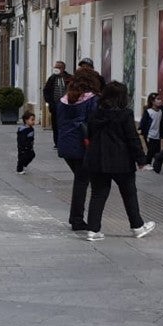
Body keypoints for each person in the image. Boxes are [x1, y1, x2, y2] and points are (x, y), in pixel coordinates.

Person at [82, 81, 157, 241]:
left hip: (97, 159)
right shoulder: (125, 114)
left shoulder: (95, 113)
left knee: (97, 194)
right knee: (129, 193)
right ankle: (137, 226)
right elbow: (132, 138)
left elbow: (89, 133)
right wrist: (141, 160)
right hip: (121, 161)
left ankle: (93, 230)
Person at [56, 68, 102, 231]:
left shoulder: (64, 100)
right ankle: (76, 219)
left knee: (80, 180)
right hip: (83, 145)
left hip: (66, 145)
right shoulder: (92, 100)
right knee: (82, 182)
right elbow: (95, 123)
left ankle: (76, 218)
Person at [42, 60, 71, 150]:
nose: (57, 69)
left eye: (59, 67)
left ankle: (66, 141)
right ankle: (57, 142)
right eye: (55, 67)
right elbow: (46, 91)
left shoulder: (69, 78)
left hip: (67, 106)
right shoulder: (52, 78)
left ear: (63, 68)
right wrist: (50, 102)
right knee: (55, 125)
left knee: (66, 124)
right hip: (55, 106)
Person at [138, 92, 163, 161]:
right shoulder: (148, 111)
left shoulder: (161, 111)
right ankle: (147, 163)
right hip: (149, 135)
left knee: (157, 151)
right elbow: (143, 122)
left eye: (160, 99)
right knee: (151, 151)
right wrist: (140, 129)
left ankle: (155, 164)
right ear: (152, 101)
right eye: (158, 99)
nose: (160, 100)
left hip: (157, 135)